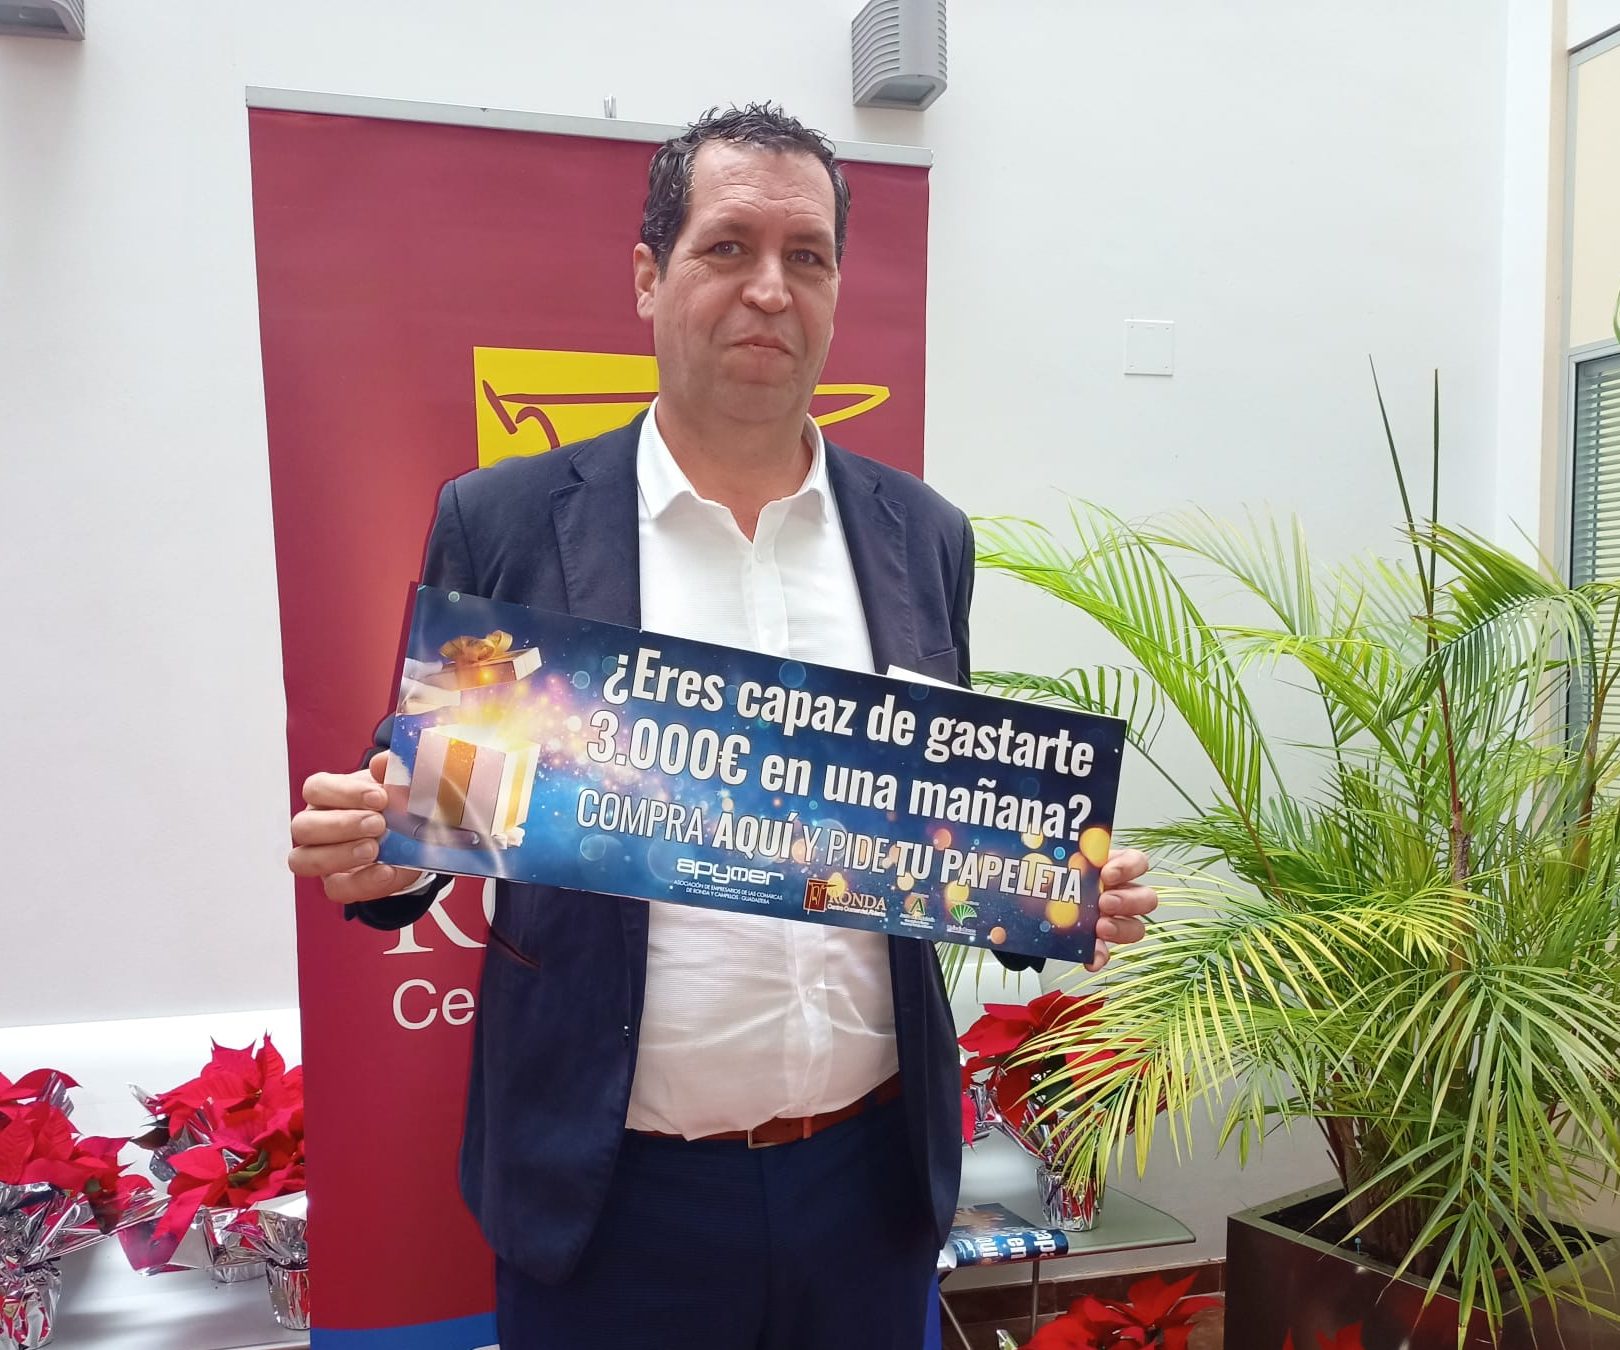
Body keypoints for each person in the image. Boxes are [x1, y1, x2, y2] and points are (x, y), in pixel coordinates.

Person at [287, 104, 1158, 1349]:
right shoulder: (510, 521)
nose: (770, 289)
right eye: (728, 247)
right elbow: (448, 810)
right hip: (611, 1203)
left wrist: (1053, 886)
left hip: (868, 1192)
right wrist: (387, 857)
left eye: (807, 257)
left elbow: (940, 818)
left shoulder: (922, 536)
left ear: (838, 290)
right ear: (649, 276)